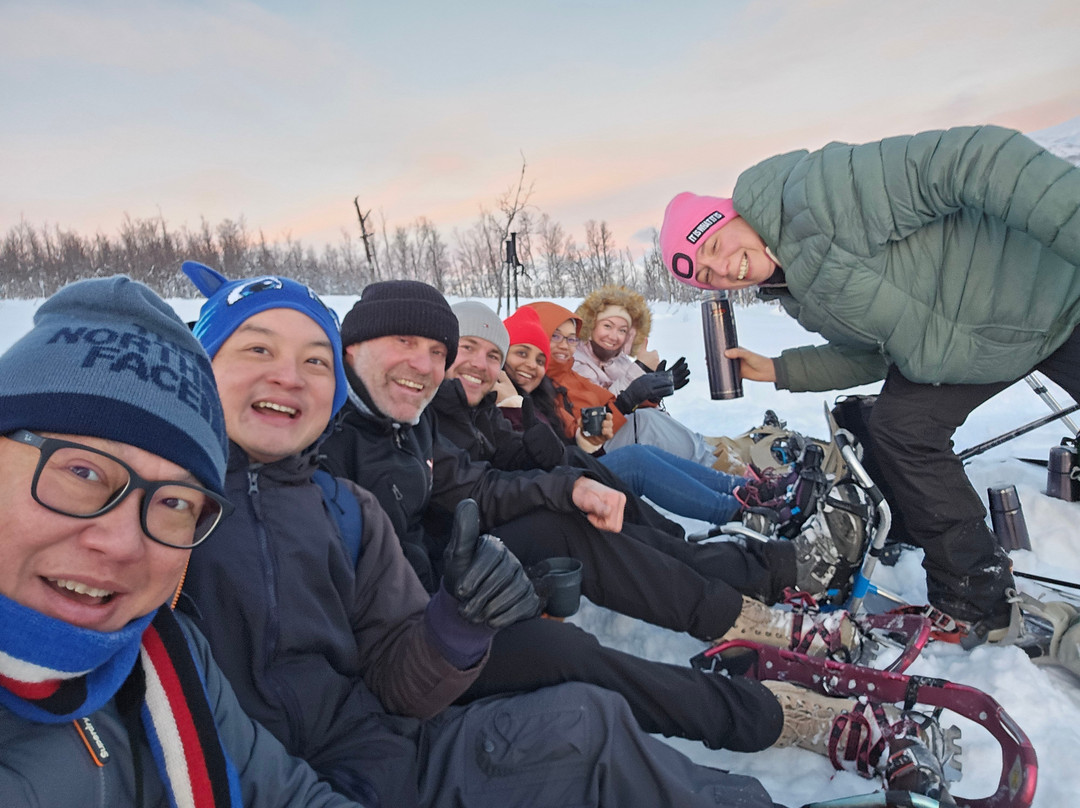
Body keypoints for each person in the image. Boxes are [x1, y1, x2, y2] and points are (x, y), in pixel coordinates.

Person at [174, 263, 795, 808]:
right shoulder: (176, 512)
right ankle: (752, 662)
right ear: (352, 351)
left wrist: (543, 446)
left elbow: (493, 477)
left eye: (442, 350)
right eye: (407, 341)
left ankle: (745, 600)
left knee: (579, 532)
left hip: (418, 649)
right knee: (569, 656)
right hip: (392, 687)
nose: (429, 363)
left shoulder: (390, 441)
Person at [659, 124, 1080, 644]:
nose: (723, 269)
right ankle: (976, 596)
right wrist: (779, 369)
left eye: (715, 245)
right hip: (980, 342)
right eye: (707, 275)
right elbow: (875, 354)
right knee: (901, 428)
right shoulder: (796, 288)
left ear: (732, 214)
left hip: (1053, 293)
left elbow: (976, 157)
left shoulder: (819, 194)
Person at [0, 276, 366, 807]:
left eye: (174, 502)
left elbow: (284, 794)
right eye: (82, 473)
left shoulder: (169, 655)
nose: (122, 543)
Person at [481, 302, 784, 527]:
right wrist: (629, 399)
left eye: (570, 339)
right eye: (554, 337)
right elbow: (574, 432)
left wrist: (648, 393)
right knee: (638, 452)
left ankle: (741, 489)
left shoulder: (548, 384)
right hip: (559, 485)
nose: (563, 347)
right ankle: (739, 511)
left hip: (576, 466)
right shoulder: (514, 394)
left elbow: (590, 419)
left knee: (645, 439)